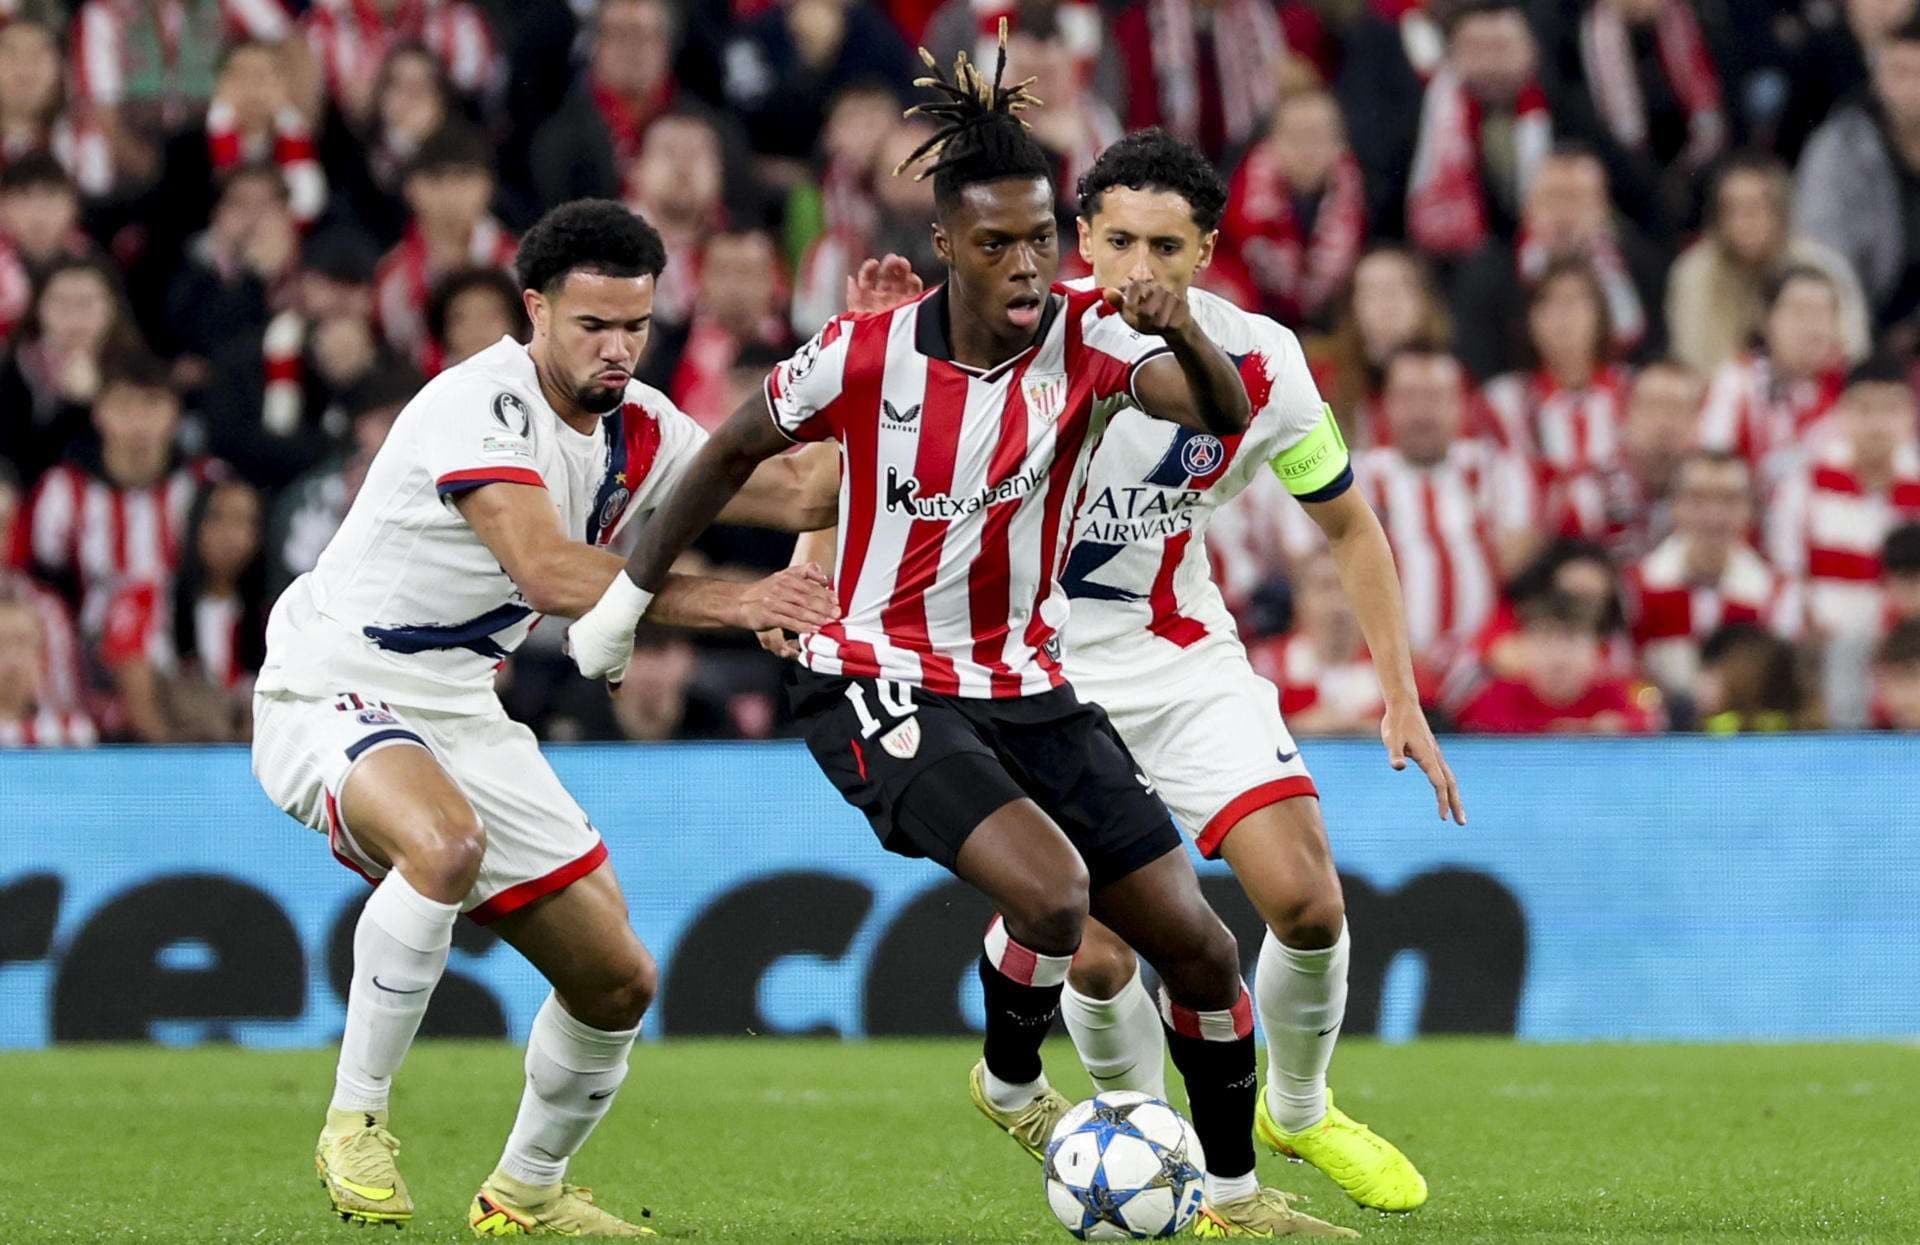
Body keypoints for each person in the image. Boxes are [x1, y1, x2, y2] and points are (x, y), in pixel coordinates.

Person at [568, 36, 1356, 1239]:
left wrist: (1182, 324)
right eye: (996, 244)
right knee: (1054, 899)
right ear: (944, 247)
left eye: (1042, 238)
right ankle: (1008, 1077)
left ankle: (1237, 1202)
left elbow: (1221, 408)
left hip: (1029, 681)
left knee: (1200, 949)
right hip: (875, 679)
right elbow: (727, 453)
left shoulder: (1091, 343)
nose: (1028, 264)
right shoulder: (861, 353)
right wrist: (626, 603)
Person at [249, 199, 841, 1235]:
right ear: (534, 309)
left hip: (461, 708)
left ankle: (524, 1193)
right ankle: (353, 1121)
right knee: (443, 844)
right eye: (592, 327)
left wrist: (862, 365)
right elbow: (548, 568)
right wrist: (736, 602)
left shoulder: (644, 425)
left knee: (617, 979)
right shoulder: (478, 406)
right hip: (335, 678)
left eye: (636, 327)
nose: (617, 351)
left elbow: (800, 495)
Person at [1665, 154, 1869, 374]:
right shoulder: (1694, 273)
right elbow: (1689, 361)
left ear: (1781, 210)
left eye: (1756, 206)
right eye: (1732, 208)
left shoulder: (1824, 268)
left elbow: (1853, 351)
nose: (1744, 220)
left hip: (1814, 395)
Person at [1624, 450, 1799, 704]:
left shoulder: (1776, 595)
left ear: (1749, 510)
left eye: (1729, 500)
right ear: (1675, 506)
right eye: (1698, 499)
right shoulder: (1637, 588)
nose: (1714, 516)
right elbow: (1625, 681)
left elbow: (1779, 690)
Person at [1481, 257, 1629, 479]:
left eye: (1576, 300)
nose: (1563, 315)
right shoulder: (1503, 400)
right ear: (1530, 320)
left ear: (1601, 316)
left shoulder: (1633, 392)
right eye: (1548, 302)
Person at [1454, 589, 1657, 732]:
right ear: (1524, 647)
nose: (1559, 655)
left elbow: (1649, 722)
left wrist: (1619, 729)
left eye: (1571, 641)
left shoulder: (1615, 694)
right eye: (1545, 640)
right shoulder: (1497, 695)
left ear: (1596, 650)